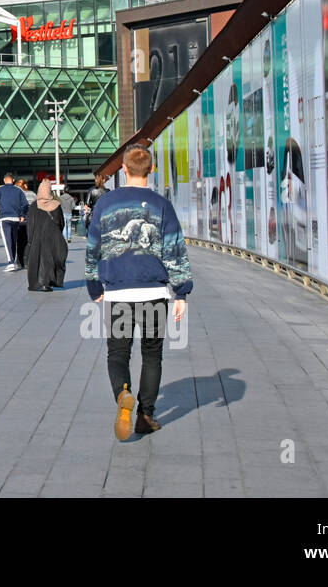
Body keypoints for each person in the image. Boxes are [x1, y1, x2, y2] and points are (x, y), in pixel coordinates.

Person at [85, 145, 193, 440]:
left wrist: (94, 286)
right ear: (152, 170)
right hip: (154, 291)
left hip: (118, 293)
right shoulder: (161, 205)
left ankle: (123, 393)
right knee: (152, 354)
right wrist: (181, 292)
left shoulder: (106, 204)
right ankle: (145, 415)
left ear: (124, 169)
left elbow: (93, 246)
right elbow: (174, 250)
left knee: (117, 354)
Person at [27, 180, 68, 292]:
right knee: (51, 259)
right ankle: (48, 282)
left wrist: (30, 238)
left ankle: (39, 282)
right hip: (53, 236)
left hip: (37, 237)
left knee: (38, 259)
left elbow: (30, 223)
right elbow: (61, 222)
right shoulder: (56, 205)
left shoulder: (34, 205)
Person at [0, 173, 29, 273]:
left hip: (4, 218)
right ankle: (14, 262)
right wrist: (22, 215)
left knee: (7, 240)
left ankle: (11, 262)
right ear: (13, 180)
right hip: (16, 219)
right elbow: (25, 204)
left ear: (4, 180)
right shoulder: (19, 190)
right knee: (14, 240)